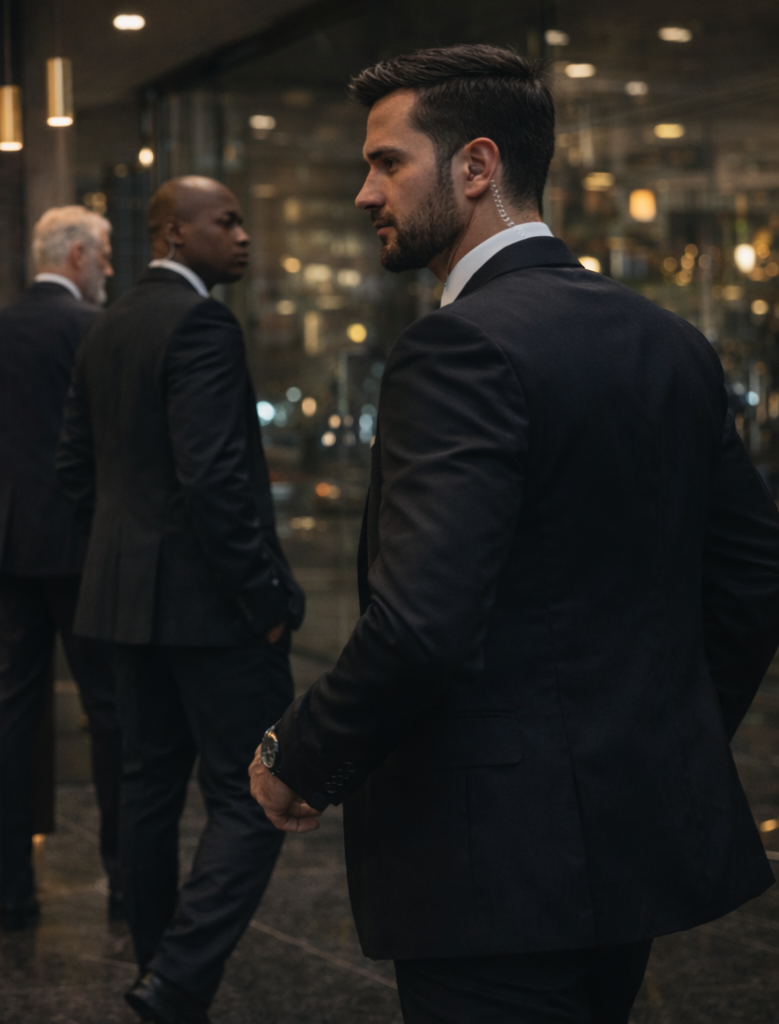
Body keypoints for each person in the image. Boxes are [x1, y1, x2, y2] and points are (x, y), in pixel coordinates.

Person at [250, 44, 779, 1023]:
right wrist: (651, 737)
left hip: (490, 863)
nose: (366, 193)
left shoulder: (458, 346)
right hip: (632, 841)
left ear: (477, 166)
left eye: (387, 162)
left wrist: (300, 750)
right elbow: (750, 582)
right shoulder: (672, 341)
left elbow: (420, 623)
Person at [58, 177, 304, 1024]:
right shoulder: (201, 323)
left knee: (147, 788)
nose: (243, 236)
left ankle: (159, 968)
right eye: (226, 222)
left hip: (123, 607)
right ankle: (177, 979)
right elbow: (215, 481)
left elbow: (74, 475)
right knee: (256, 789)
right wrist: (265, 597)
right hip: (211, 608)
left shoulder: (108, 324)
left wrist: (122, 566)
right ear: (173, 232)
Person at [0, 206, 123, 931]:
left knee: (10, 717)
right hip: (84, 548)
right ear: (75, 255)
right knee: (109, 714)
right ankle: (125, 886)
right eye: (103, 253)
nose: (109, 266)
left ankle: (14, 892)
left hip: (11, 548)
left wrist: (7, 490)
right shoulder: (93, 332)